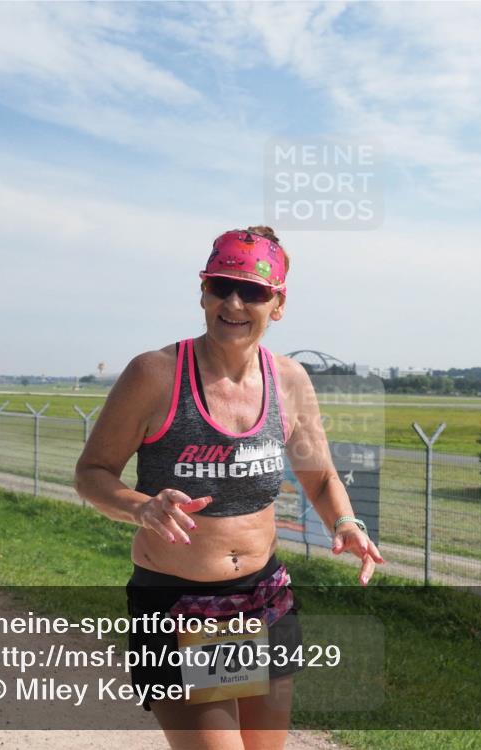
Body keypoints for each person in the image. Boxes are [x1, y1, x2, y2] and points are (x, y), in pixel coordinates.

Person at [74, 226, 384, 750]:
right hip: (178, 602)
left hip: (265, 596)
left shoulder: (289, 380)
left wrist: (345, 521)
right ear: (203, 293)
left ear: (278, 304)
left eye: (253, 291)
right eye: (221, 286)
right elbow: (92, 472)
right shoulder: (155, 374)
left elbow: (320, 476)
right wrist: (142, 507)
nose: (234, 303)